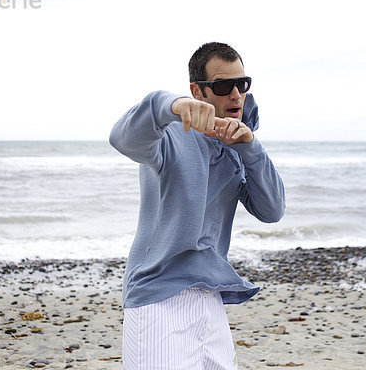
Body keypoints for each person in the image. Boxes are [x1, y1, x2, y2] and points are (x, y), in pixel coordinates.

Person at [109, 42, 286, 369]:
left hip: (211, 295)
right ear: (198, 91)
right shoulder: (170, 135)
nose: (235, 95)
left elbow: (272, 209)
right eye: (222, 86)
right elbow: (122, 138)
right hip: (157, 297)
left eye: (241, 84)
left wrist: (250, 146)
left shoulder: (238, 143)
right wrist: (172, 105)